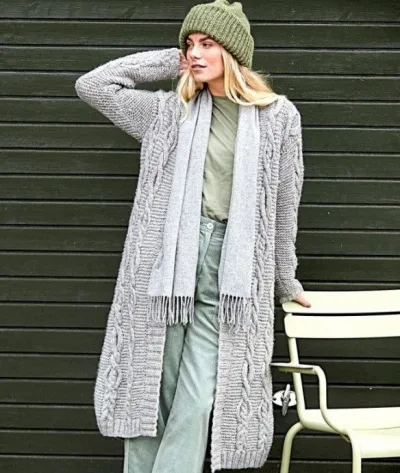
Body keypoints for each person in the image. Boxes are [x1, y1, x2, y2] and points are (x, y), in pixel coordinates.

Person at [74, 0, 311, 472]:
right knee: (152, 391)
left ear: (233, 52)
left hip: (233, 268)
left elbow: (285, 207)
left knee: (200, 396)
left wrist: (285, 280)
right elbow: (93, 85)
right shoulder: (168, 113)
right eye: (190, 44)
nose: (195, 53)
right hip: (166, 265)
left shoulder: (279, 117)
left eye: (207, 44)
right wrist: (171, 61)